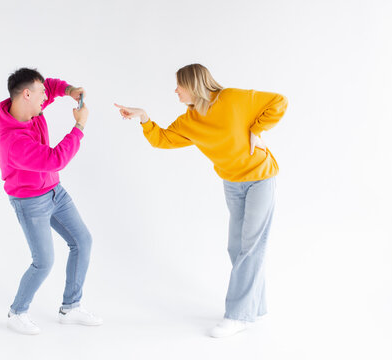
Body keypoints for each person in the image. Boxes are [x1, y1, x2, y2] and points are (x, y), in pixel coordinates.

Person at [115, 63, 288, 338]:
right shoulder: (190, 122)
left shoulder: (232, 98)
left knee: (251, 247)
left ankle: (238, 315)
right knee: (237, 247)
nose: (176, 91)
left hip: (261, 178)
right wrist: (145, 118)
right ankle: (257, 308)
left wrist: (257, 129)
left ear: (193, 84)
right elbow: (162, 140)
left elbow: (278, 101)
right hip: (232, 183)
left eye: (179, 86)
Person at [0, 68, 102, 335]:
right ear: (27, 94)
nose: (46, 97)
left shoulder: (30, 107)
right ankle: (17, 312)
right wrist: (79, 126)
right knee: (43, 261)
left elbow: (51, 86)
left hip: (56, 192)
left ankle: (70, 307)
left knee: (82, 240)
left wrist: (69, 90)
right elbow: (56, 159)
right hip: (30, 202)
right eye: (40, 93)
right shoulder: (12, 140)